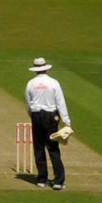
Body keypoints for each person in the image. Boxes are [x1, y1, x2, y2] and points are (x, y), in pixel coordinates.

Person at [24, 56, 71, 189]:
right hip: (50, 116)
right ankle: (58, 181)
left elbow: (28, 103)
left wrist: (32, 115)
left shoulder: (30, 83)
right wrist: (66, 120)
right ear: (46, 69)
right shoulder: (53, 82)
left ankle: (42, 179)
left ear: (35, 70)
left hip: (36, 116)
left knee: (39, 147)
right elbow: (60, 101)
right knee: (53, 148)